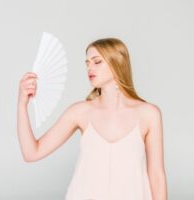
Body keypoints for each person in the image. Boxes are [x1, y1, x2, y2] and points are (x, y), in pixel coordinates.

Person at [17, 37, 168, 200]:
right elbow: (31, 153)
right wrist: (21, 104)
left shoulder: (149, 114)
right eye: (87, 63)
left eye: (97, 62)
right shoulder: (80, 112)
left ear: (117, 62)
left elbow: (157, 176)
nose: (90, 68)